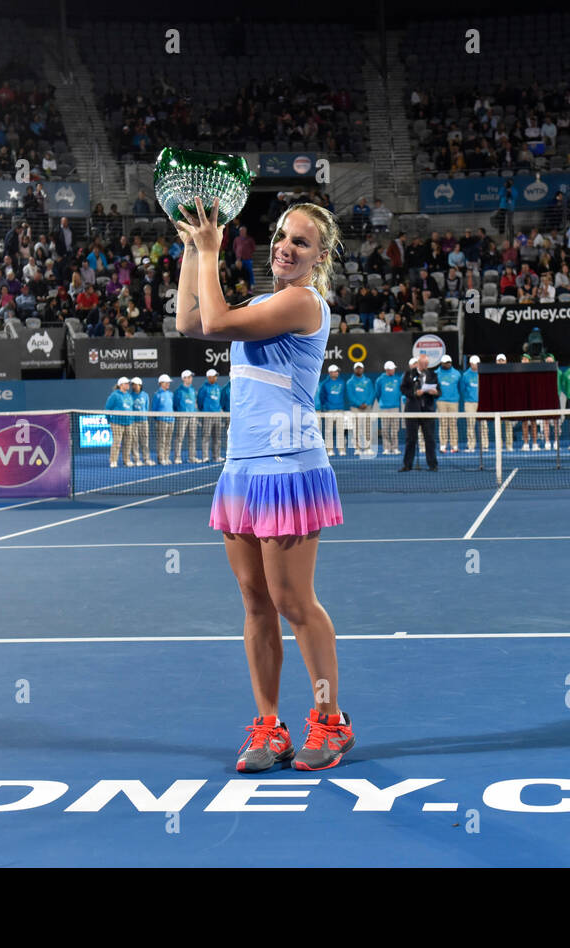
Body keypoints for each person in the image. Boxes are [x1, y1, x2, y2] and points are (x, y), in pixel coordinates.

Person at [173, 194, 351, 772]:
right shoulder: (268, 300)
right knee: (255, 603)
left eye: (301, 242)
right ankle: (269, 726)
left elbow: (218, 320)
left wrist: (210, 251)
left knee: (294, 602)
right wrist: (189, 254)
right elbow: (189, 323)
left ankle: (330, 720)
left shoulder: (302, 303)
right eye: (282, 236)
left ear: (319, 258)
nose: (286, 247)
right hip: (242, 469)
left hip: (288, 470)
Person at [400, 352, 440, 471]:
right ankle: (407, 465)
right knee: (410, 439)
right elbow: (403, 389)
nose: (425, 365)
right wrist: (414, 393)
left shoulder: (433, 375)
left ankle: (433, 465)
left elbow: (439, 391)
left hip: (427, 411)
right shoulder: (409, 374)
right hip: (412, 410)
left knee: (430, 439)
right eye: (423, 363)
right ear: (418, 363)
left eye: (426, 364)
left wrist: (435, 392)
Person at [345, 361, 376, 455]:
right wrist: (359, 404)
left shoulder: (368, 381)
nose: (359, 369)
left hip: (367, 408)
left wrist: (367, 403)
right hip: (355, 408)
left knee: (367, 428)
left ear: (363, 369)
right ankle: (357, 448)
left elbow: (372, 393)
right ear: (354, 369)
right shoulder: (350, 382)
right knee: (356, 428)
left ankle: (367, 448)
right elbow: (350, 395)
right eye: (357, 368)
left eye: (360, 368)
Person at [316, 364, 347, 455]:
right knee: (329, 431)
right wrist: (326, 406)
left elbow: (343, 395)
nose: (337, 373)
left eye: (337, 371)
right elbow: (322, 397)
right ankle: (329, 450)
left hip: (340, 410)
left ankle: (341, 449)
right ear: (330, 373)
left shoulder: (342, 382)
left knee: (340, 431)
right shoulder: (325, 384)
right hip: (329, 410)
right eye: (335, 371)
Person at [105, 377, 135, 468]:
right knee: (117, 443)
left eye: (128, 384)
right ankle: (113, 461)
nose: (128, 385)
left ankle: (127, 460)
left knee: (128, 442)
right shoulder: (114, 395)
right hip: (117, 423)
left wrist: (132, 419)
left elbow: (131, 408)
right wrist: (109, 420)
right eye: (126, 383)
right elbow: (107, 408)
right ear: (121, 385)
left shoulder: (129, 396)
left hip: (129, 422)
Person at [375, 359, 403, 454]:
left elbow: (400, 392)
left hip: (395, 407)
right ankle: (386, 448)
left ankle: (395, 448)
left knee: (395, 429)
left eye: (393, 369)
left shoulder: (398, 379)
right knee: (385, 429)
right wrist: (382, 402)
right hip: (384, 408)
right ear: (386, 369)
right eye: (391, 369)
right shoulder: (380, 380)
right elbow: (378, 393)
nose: (393, 370)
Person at [197, 368, 224, 463]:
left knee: (217, 437)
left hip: (217, 415)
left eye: (216, 376)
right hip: (207, 415)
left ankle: (216, 456)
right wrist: (205, 411)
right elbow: (200, 402)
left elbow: (221, 401)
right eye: (214, 376)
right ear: (209, 377)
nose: (216, 378)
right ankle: (205, 456)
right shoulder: (203, 388)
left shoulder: (218, 388)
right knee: (206, 436)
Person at [436, 354, 461, 452]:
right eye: (445, 363)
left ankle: (454, 446)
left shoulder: (457, 374)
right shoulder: (436, 373)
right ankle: (443, 446)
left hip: (454, 402)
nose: (448, 364)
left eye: (449, 362)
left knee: (453, 424)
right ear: (441, 363)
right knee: (443, 424)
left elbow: (460, 388)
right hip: (441, 401)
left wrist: (456, 397)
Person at [461, 355, 486, 453]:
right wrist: (468, 399)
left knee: (483, 425)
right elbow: (463, 389)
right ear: (470, 364)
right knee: (470, 425)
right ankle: (471, 445)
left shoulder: (483, 373)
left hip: (482, 403)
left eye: (477, 364)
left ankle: (484, 445)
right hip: (470, 403)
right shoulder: (465, 375)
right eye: (474, 364)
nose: (475, 365)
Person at [173, 370, 199, 464]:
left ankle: (192, 457)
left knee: (193, 437)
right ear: (184, 378)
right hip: (182, 416)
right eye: (189, 377)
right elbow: (175, 404)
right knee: (179, 437)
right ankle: (177, 458)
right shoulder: (179, 391)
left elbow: (195, 403)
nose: (191, 379)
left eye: (191, 377)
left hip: (192, 417)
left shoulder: (192, 390)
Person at [152, 373, 177, 465]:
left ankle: (166, 457)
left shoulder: (171, 394)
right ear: (161, 383)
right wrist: (158, 419)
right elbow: (154, 409)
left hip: (171, 420)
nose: (168, 384)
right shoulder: (157, 395)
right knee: (161, 440)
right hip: (161, 421)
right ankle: (161, 458)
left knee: (168, 440)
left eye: (168, 382)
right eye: (166, 382)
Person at [130, 377, 154, 466]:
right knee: (135, 441)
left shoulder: (145, 395)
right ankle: (136, 460)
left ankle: (146, 459)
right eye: (133, 384)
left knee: (145, 441)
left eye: (136, 384)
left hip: (144, 421)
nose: (134, 386)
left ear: (140, 385)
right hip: (134, 422)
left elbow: (146, 407)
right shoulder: (130, 396)